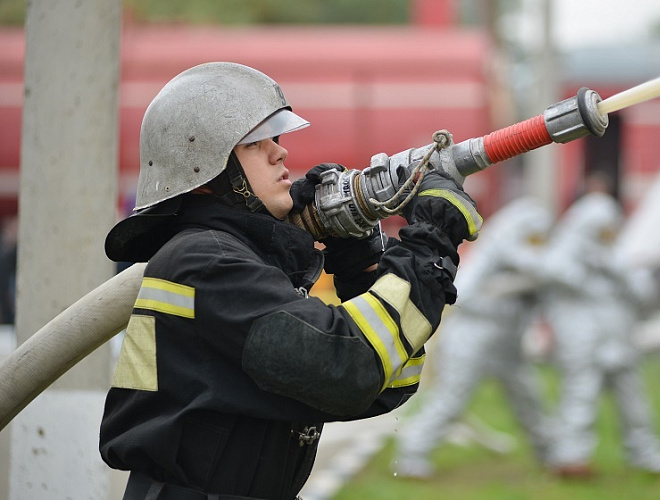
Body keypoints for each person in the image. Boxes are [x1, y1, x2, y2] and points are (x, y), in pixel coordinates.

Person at [99, 61, 482, 500]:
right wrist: (430, 244)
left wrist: (359, 266)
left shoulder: (230, 260)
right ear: (207, 169)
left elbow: (383, 381)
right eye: (254, 143)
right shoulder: (204, 261)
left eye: (275, 139)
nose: (280, 153)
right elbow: (348, 368)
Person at [392, 197, 555, 479]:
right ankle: (412, 455)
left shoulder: (532, 258)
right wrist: (510, 287)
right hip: (473, 337)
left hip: (507, 343)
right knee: (450, 398)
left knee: (528, 397)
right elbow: (462, 295)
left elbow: (546, 275)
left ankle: (551, 453)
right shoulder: (495, 251)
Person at [539, 172, 660, 477]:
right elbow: (552, 275)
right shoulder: (564, 258)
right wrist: (584, 270)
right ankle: (571, 456)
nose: (602, 236)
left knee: (634, 402)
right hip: (585, 344)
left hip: (619, 342)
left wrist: (616, 270)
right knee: (579, 397)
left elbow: (644, 295)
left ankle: (645, 451)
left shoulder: (620, 258)